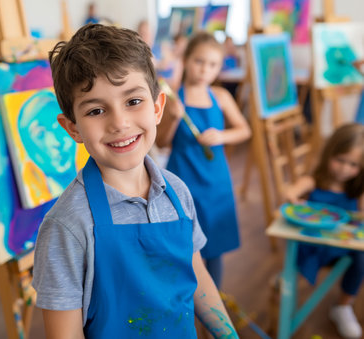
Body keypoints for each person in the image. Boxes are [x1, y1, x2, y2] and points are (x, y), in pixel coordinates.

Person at [32, 24, 238, 338]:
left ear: (157, 107)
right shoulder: (67, 226)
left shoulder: (177, 193)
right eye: (97, 110)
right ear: (72, 128)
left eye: (133, 102)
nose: (120, 123)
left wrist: (228, 334)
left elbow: (196, 272)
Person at [156, 32, 251, 289]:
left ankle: (214, 302)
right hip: (183, 182)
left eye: (213, 65)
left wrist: (222, 135)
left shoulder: (221, 96)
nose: (205, 70)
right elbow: (161, 143)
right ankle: (187, 301)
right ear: (186, 60)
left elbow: (245, 130)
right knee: (183, 244)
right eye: (199, 61)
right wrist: (174, 118)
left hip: (215, 182)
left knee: (214, 244)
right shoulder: (172, 98)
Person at [285, 123, 364, 339]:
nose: (344, 169)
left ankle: (343, 306)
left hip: (343, 250)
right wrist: (293, 198)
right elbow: (291, 191)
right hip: (313, 248)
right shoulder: (313, 181)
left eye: (353, 164)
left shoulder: (356, 191)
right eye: (339, 160)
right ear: (329, 153)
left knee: (361, 258)